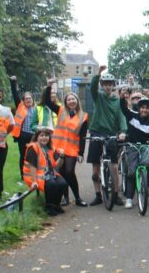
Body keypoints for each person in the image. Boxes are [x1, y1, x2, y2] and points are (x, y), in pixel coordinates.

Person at [44, 78, 89, 207]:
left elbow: (83, 136)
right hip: (58, 147)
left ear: (77, 101)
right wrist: (49, 86)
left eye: (73, 99)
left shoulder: (83, 116)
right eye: (69, 99)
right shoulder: (60, 111)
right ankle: (65, 198)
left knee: (69, 172)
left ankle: (78, 198)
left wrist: (81, 153)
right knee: (61, 172)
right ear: (66, 102)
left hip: (72, 149)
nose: (71, 101)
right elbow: (48, 101)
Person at [87, 66, 127, 206]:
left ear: (113, 85)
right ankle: (98, 195)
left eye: (110, 84)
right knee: (96, 168)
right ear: (102, 85)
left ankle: (115, 195)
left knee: (115, 167)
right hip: (96, 132)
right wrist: (98, 75)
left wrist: (123, 131)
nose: (108, 87)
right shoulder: (98, 96)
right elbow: (92, 88)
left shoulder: (116, 100)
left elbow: (121, 116)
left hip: (111, 134)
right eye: (105, 84)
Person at [120, 95, 149, 207]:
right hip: (132, 145)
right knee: (132, 172)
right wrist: (122, 98)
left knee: (147, 164)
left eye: (147, 108)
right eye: (142, 107)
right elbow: (124, 108)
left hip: (144, 145)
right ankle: (129, 198)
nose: (145, 110)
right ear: (139, 108)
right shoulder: (132, 115)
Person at [23, 126, 68, 216]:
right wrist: (34, 182)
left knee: (63, 183)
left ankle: (56, 205)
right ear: (37, 137)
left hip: (49, 173)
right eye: (42, 135)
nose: (44, 138)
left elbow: (57, 165)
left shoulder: (51, 148)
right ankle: (49, 207)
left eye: (46, 136)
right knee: (51, 184)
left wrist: (62, 156)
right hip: (34, 175)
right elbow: (32, 166)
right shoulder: (33, 147)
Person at [10, 76, 36, 179]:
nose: (28, 100)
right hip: (23, 135)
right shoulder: (20, 106)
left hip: (34, 136)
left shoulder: (37, 109)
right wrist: (13, 82)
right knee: (23, 156)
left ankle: (33, 174)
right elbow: (15, 94)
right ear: (23, 100)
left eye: (30, 98)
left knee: (33, 156)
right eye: (26, 99)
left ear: (32, 100)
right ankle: (23, 175)